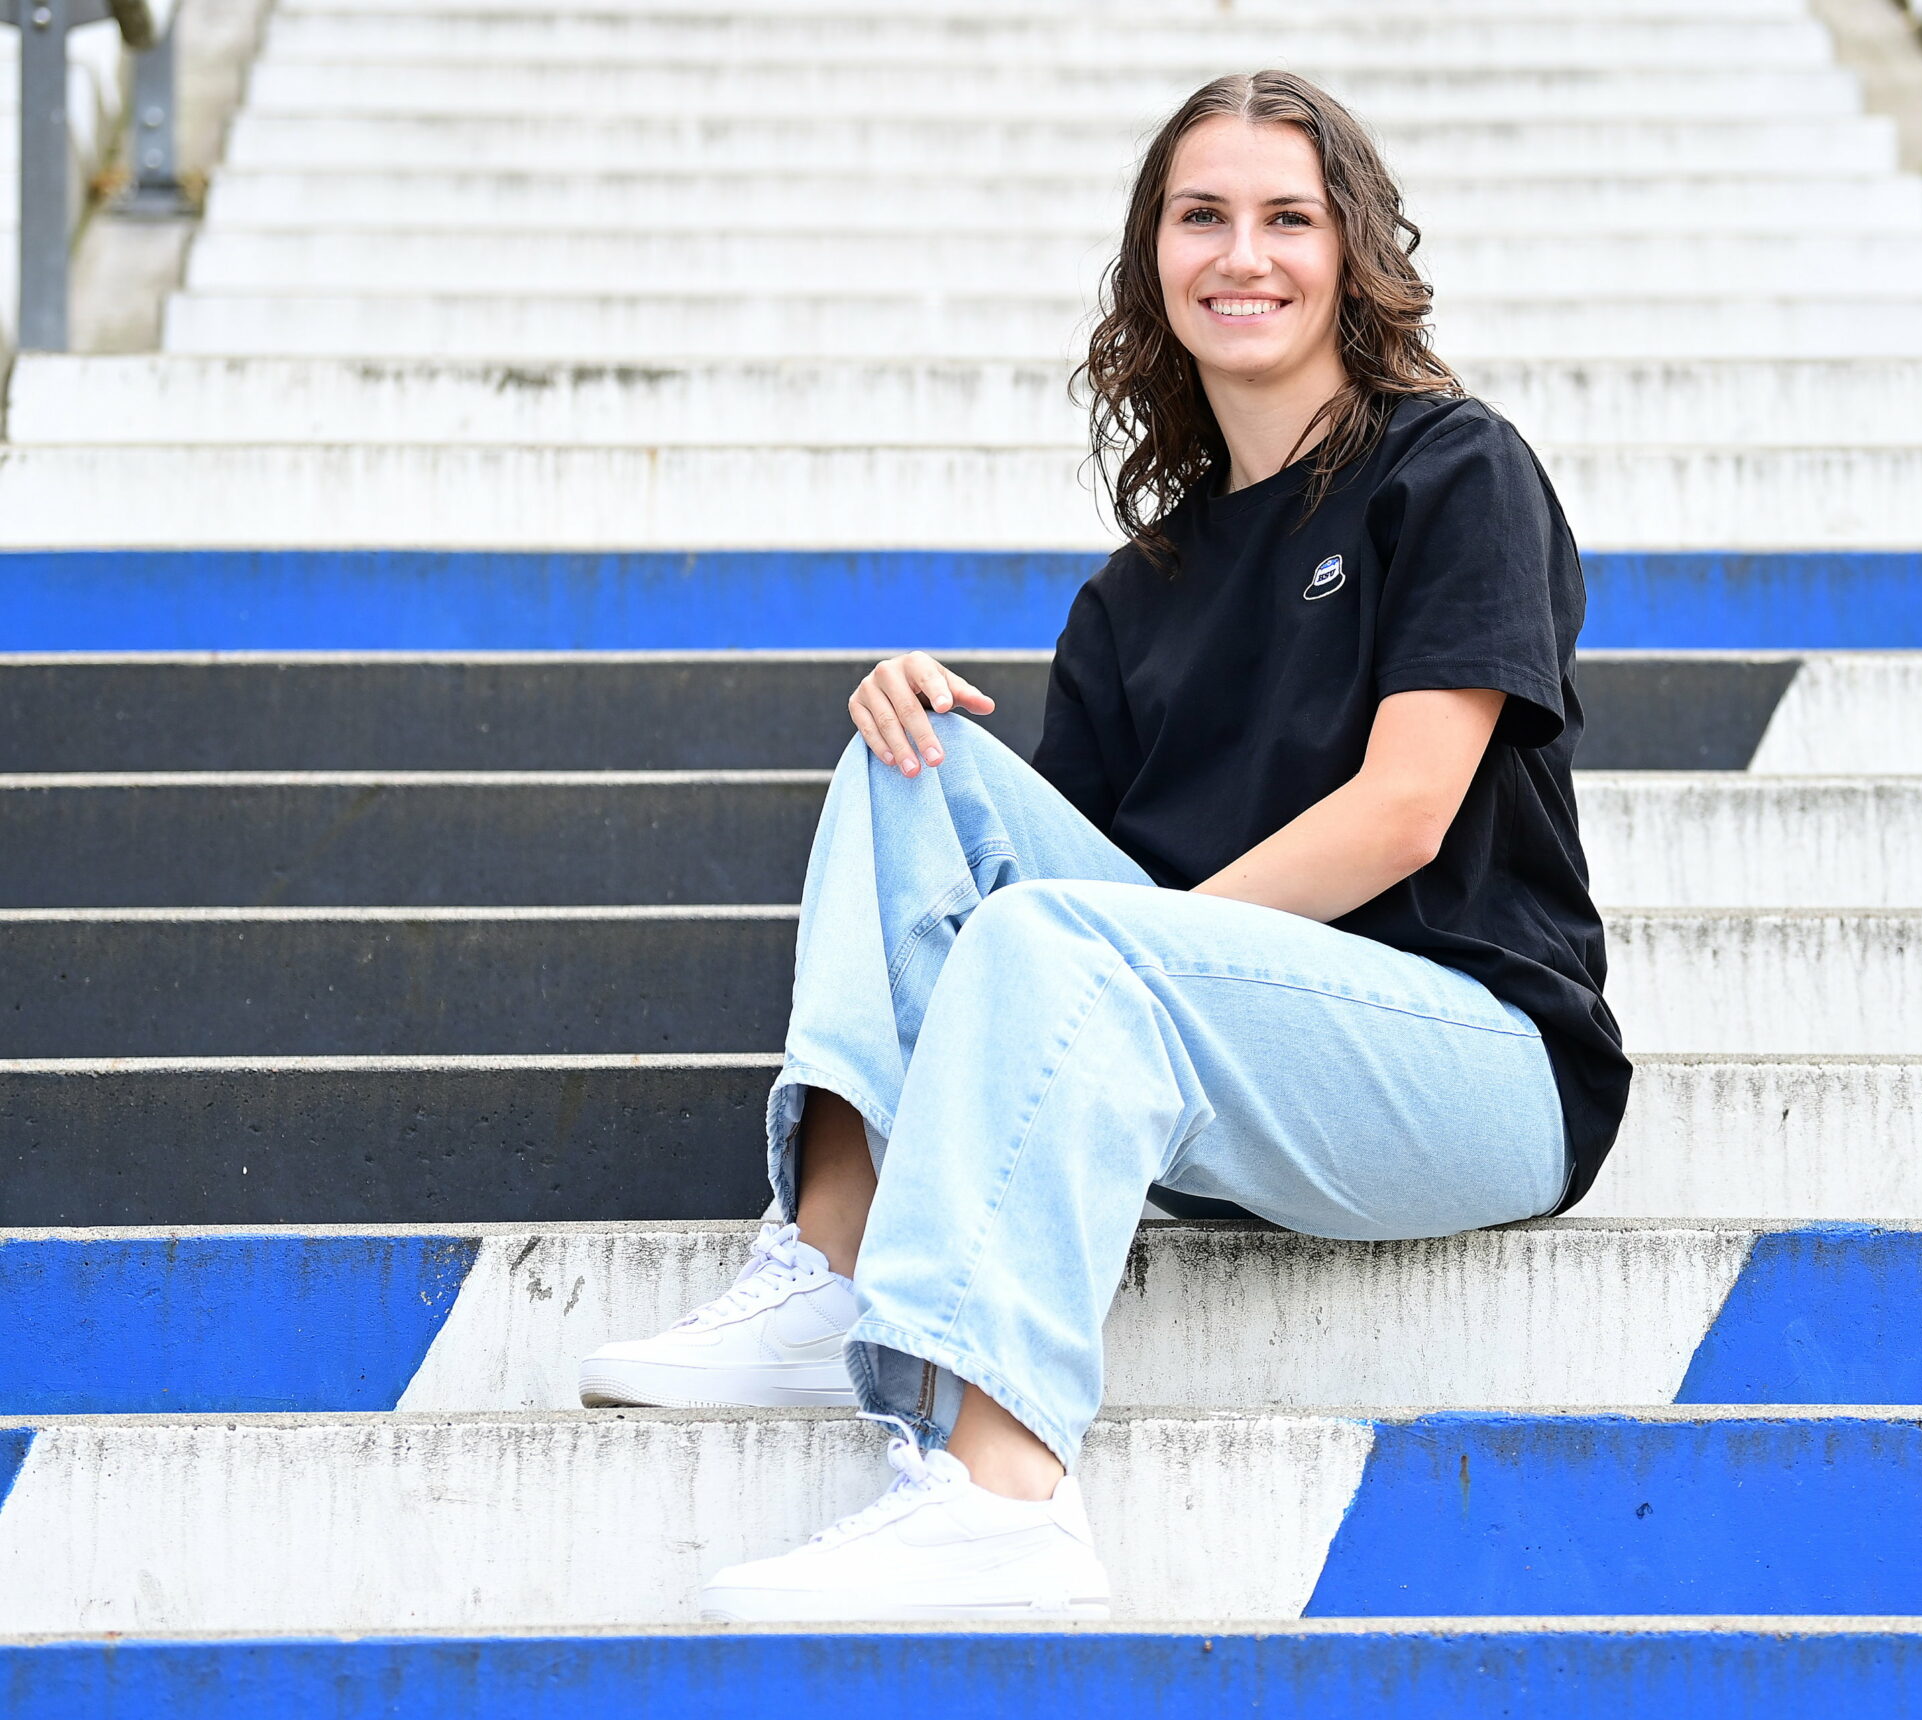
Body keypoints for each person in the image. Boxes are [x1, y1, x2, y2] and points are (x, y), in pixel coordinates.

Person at [578, 68, 1629, 1623]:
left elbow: (1409, 807)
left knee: (1064, 948)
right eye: (1201, 217)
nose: (1243, 254)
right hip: (1222, 1064)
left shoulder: (1453, 467)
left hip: (1476, 1067)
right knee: (909, 754)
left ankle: (1004, 1498)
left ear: (1355, 253)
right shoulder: (1135, 594)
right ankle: (835, 1265)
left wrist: (1125, 954)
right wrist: (1082, 927)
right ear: (1154, 257)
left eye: (1290, 216)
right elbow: (1022, 916)